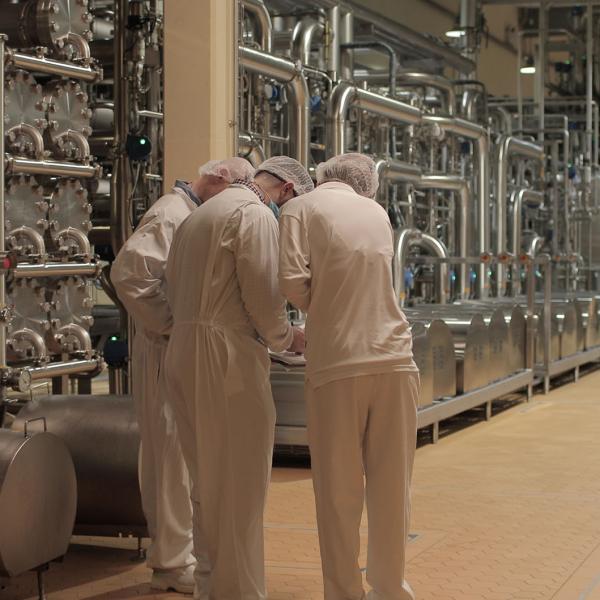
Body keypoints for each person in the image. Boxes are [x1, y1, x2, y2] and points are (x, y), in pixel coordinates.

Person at [163, 155, 313, 600]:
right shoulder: (253, 214)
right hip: (225, 358)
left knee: (206, 483)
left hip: (184, 351)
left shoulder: (198, 215)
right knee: (242, 484)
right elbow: (264, 299)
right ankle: (241, 592)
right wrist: (290, 338)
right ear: (286, 190)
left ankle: (211, 587)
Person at [111, 157, 255, 595]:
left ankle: (182, 555)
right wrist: (175, 323)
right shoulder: (171, 214)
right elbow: (129, 274)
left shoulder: (191, 214)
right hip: (163, 349)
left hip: (179, 347)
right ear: (216, 179)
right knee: (169, 459)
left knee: (183, 458)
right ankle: (171, 563)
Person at [278, 153, 420, 600]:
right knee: (392, 488)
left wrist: (321, 309)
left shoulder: (300, 207)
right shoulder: (377, 212)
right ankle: (390, 588)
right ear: (365, 184)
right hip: (396, 359)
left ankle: (343, 592)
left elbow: (289, 279)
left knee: (339, 493)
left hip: (338, 363)